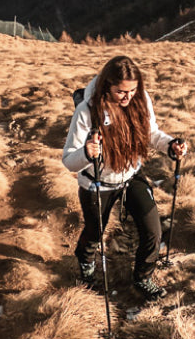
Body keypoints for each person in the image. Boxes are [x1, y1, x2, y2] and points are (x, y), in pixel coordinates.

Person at [63, 55, 188, 300]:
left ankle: (143, 277)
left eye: (132, 90)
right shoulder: (87, 111)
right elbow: (69, 160)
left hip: (131, 175)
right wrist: (87, 153)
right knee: (94, 230)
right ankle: (86, 262)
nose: (128, 97)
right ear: (106, 86)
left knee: (153, 230)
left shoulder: (141, 100)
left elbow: (150, 133)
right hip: (97, 182)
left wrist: (170, 145)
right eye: (121, 91)